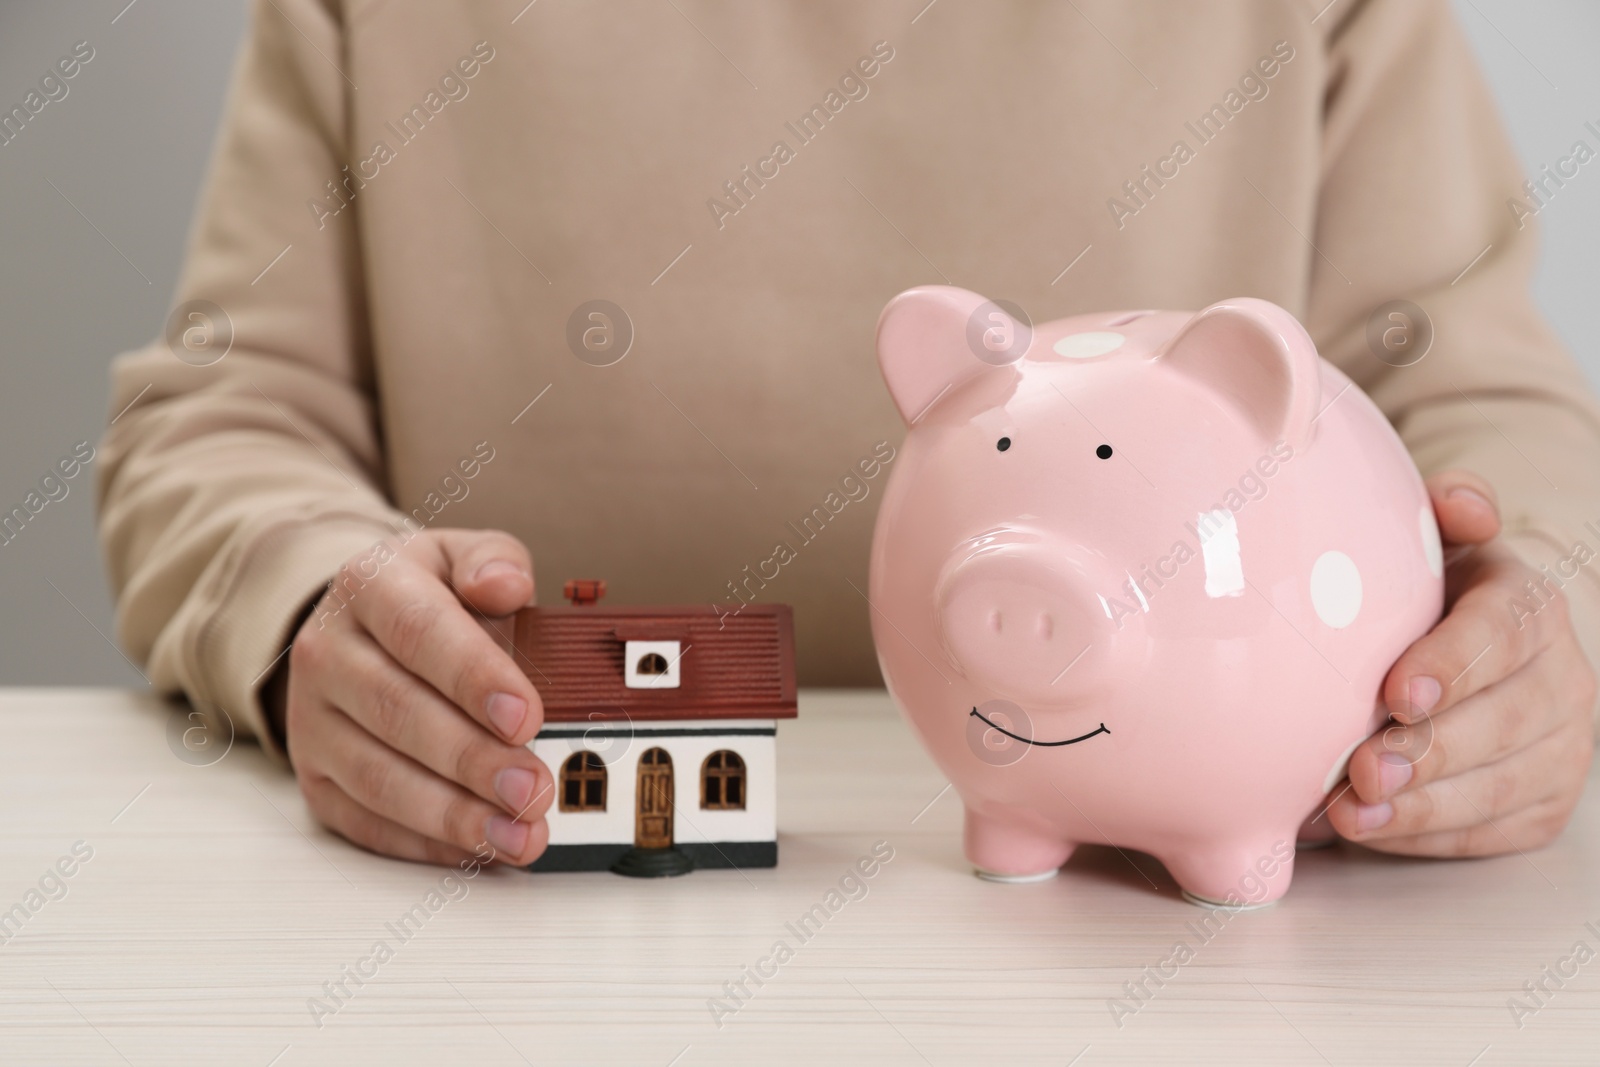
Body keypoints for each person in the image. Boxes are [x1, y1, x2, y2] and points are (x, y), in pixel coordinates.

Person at [98, 0, 1600, 869]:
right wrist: (308, 609)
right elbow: (225, 413)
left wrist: (1538, 620)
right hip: (515, 896)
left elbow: (1482, 406)